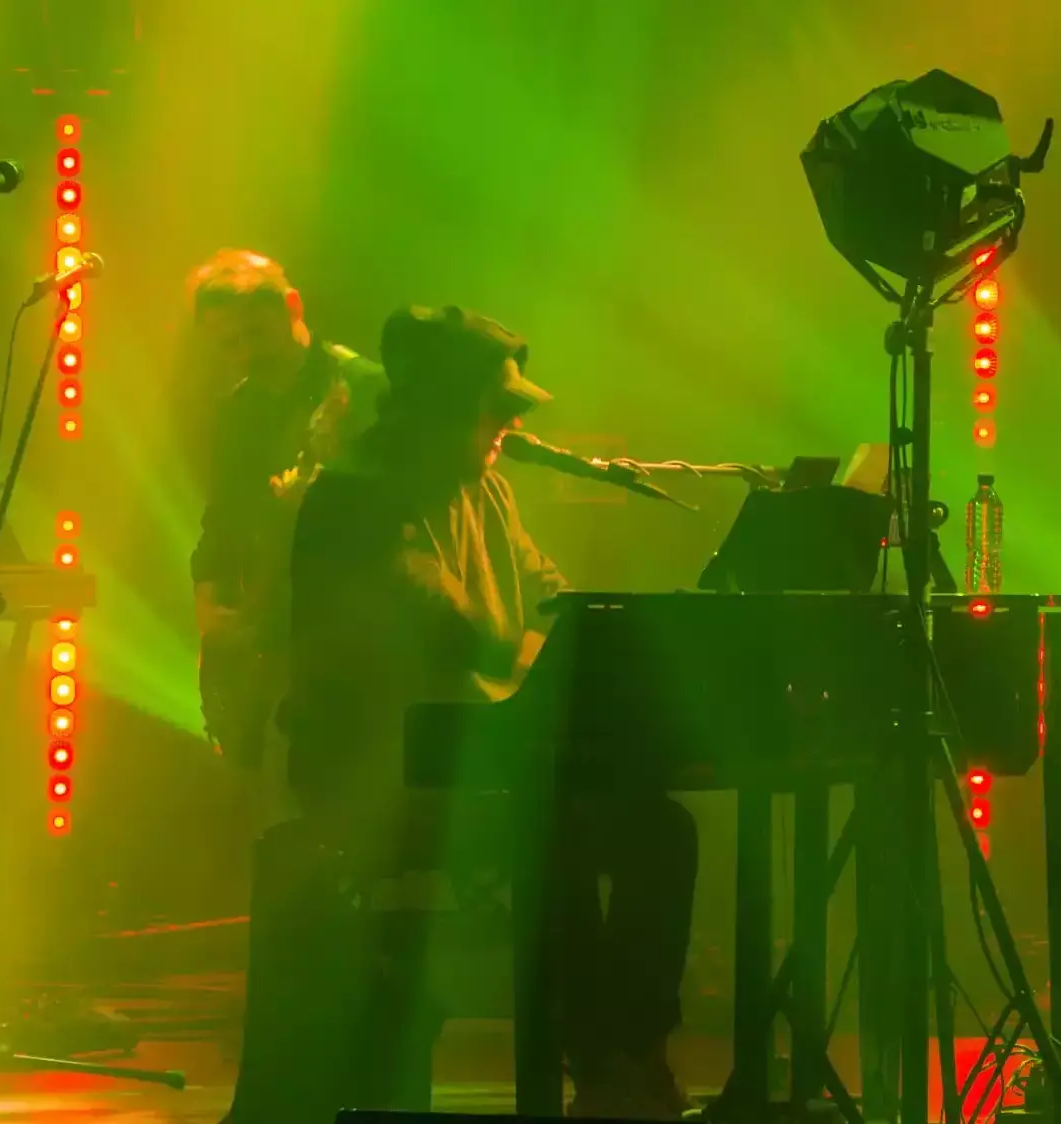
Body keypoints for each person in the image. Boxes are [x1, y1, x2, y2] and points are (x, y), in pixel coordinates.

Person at [282, 305, 699, 1118]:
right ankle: (603, 1065)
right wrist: (554, 664)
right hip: (378, 778)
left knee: (658, 830)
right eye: (496, 407)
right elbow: (451, 628)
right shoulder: (359, 498)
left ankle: (631, 1054)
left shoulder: (488, 490)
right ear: (437, 406)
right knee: (555, 835)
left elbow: (548, 597)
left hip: (478, 760)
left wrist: (586, 645)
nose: (512, 424)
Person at [185, 249, 385, 799]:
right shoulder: (239, 409)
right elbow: (222, 518)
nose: (245, 353)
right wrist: (208, 601)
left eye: (255, 334)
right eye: (229, 344)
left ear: (293, 306)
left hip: (349, 639)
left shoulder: (364, 389)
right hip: (268, 639)